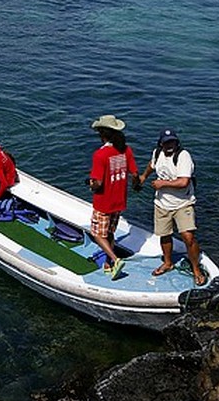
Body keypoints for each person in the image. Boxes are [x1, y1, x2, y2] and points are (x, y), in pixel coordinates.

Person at [139, 129, 206, 285]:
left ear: (177, 142)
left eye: (173, 142)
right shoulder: (157, 153)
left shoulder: (183, 156)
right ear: (161, 143)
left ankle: (196, 269)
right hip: (162, 203)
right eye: (167, 142)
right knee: (165, 235)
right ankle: (168, 263)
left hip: (183, 203)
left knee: (188, 237)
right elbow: (151, 165)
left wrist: (162, 184)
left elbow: (184, 182)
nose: (170, 145)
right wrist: (143, 176)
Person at [88, 115, 139, 280]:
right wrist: (136, 185)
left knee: (96, 233)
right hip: (119, 200)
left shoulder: (100, 155)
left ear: (102, 134)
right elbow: (135, 174)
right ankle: (108, 263)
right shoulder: (126, 150)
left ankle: (115, 260)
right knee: (110, 232)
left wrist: (91, 184)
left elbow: (98, 182)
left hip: (104, 201)